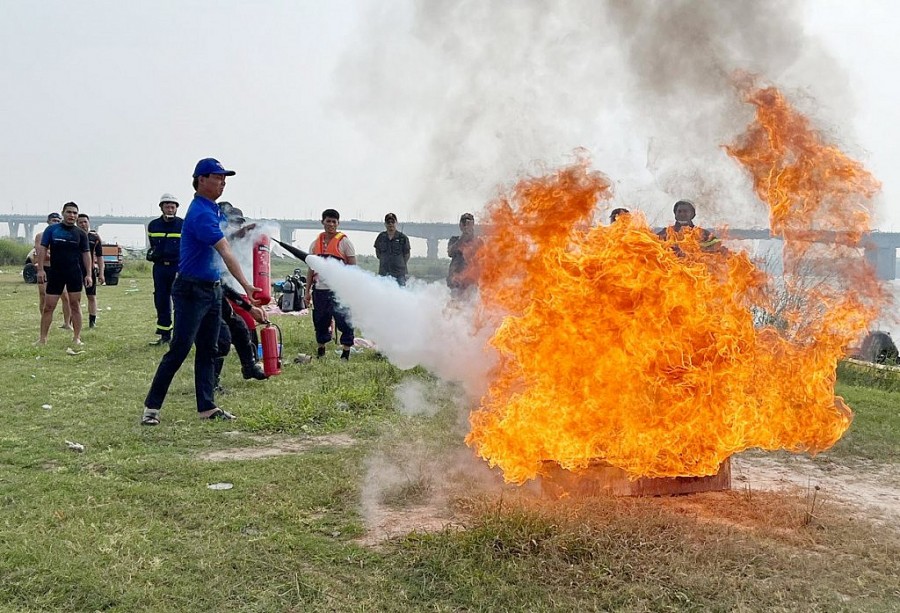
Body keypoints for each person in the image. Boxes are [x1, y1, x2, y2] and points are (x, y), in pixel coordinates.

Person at [141, 158, 261, 425]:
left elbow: (218, 242)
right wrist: (247, 286)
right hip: (191, 290)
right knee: (180, 348)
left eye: (224, 178)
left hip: (212, 289)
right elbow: (224, 250)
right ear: (201, 180)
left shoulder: (213, 210)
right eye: (217, 177)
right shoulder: (200, 213)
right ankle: (152, 408)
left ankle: (206, 407)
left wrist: (241, 233)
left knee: (209, 348)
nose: (223, 182)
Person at [35, 202, 92, 345]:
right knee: (48, 307)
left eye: (74, 213)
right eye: (69, 212)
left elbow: (86, 254)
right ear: (63, 213)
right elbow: (42, 249)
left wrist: (89, 274)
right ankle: (42, 339)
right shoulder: (52, 230)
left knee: (75, 305)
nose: (71, 215)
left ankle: (76, 337)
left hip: (74, 273)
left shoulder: (81, 234)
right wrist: (41, 269)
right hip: (55, 273)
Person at [303, 208, 357, 360]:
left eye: (334, 221)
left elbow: (353, 268)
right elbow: (310, 270)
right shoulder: (315, 244)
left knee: (343, 320)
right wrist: (307, 291)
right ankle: (321, 350)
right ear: (323, 222)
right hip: (319, 290)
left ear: (338, 223)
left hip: (339, 290)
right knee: (320, 320)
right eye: (328, 221)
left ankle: (346, 352)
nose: (331, 224)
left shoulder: (345, 243)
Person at [146, 193, 184, 345]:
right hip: (160, 268)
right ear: (161, 207)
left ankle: (180, 336)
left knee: (179, 301)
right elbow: (152, 245)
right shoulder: (153, 225)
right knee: (161, 300)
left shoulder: (183, 224)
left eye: (172, 207)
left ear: (176, 209)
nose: (170, 209)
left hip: (178, 267)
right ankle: (164, 334)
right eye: (167, 206)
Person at [34, 212, 73, 329]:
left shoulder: (63, 235)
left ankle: (67, 323)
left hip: (59, 268)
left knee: (65, 297)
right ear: (48, 221)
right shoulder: (40, 236)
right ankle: (45, 321)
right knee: (43, 296)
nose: (55, 222)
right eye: (53, 220)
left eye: (57, 220)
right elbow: (41, 252)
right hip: (45, 268)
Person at [656, 199, 723, 253]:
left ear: (692, 215)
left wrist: (700, 249)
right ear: (675, 215)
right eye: (679, 211)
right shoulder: (666, 233)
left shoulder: (702, 233)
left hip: (695, 268)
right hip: (671, 268)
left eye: (685, 211)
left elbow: (718, 246)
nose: (682, 214)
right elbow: (652, 246)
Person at [76, 213, 105, 328]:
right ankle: (73, 321)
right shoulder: (73, 236)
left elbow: (100, 256)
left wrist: (101, 273)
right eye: (80, 222)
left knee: (91, 296)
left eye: (85, 222)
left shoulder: (94, 237)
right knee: (74, 297)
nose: (83, 224)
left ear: (88, 223)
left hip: (89, 271)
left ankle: (92, 322)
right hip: (75, 270)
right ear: (76, 224)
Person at [447, 212, 482, 295]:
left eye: (469, 223)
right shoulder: (454, 240)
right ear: (460, 225)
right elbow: (450, 252)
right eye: (464, 223)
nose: (466, 226)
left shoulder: (478, 242)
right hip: (455, 280)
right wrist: (463, 237)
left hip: (471, 281)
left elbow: (482, 259)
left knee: (470, 305)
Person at [374, 212, 411, 285]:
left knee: (401, 294)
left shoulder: (402, 238)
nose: (390, 224)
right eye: (388, 222)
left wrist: (399, 262)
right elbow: (378, 253)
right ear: (385, 224)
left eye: (392, 221)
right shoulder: (381, 237)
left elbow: (407, 254)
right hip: (384, 273)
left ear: (396, 223)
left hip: (399, 274)